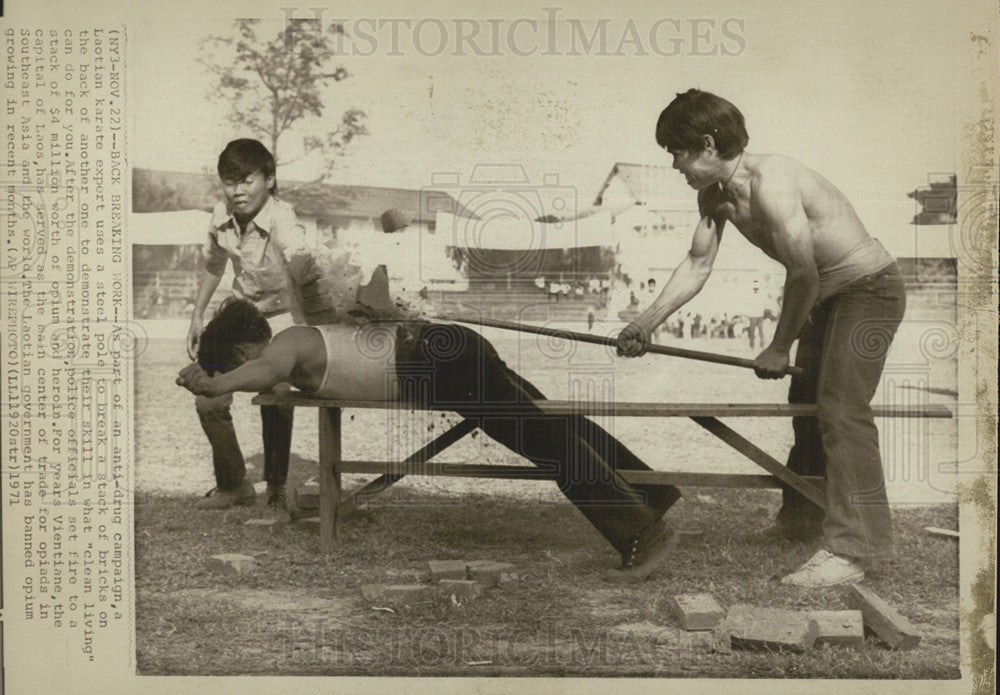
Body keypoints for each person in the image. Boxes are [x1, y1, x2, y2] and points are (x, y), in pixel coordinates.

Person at [616, 89, 906, 587]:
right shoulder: (713, 197)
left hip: (870, 291)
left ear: (708, 144)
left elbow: (803, 273)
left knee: (840, 409)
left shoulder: (773, 182)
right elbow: (697, 263)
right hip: (826, 298)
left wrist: (778, 346)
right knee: (808, 411)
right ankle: (800, 524)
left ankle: (853, 550)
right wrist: (645, 322)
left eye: (677, 153)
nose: (674, 165)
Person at [177, 298, 683, 581]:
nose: (246, 376)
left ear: (246, 347)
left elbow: (265, 369)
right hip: (444, 351)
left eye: (237, 364)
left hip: (436, 359)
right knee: (553, 424)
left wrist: (216, 384)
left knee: (546, 440)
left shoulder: (286, 343)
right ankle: (653, 494)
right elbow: (268, 377)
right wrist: (210, 371)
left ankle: (641, 531)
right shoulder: (295, 346)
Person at [186, 138, 313, 518]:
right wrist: (197, 315)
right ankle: (234, 484)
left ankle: (275, 486)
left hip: (281, 319)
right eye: (229, 182)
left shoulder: (282, 217)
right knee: (207, 397)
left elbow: (302, 260)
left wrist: (308, 325)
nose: (237, 191)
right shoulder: (219, 216)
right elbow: (214, 264)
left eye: (247, 181)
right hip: (241, 317)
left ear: (270, 180)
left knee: (275, 394)